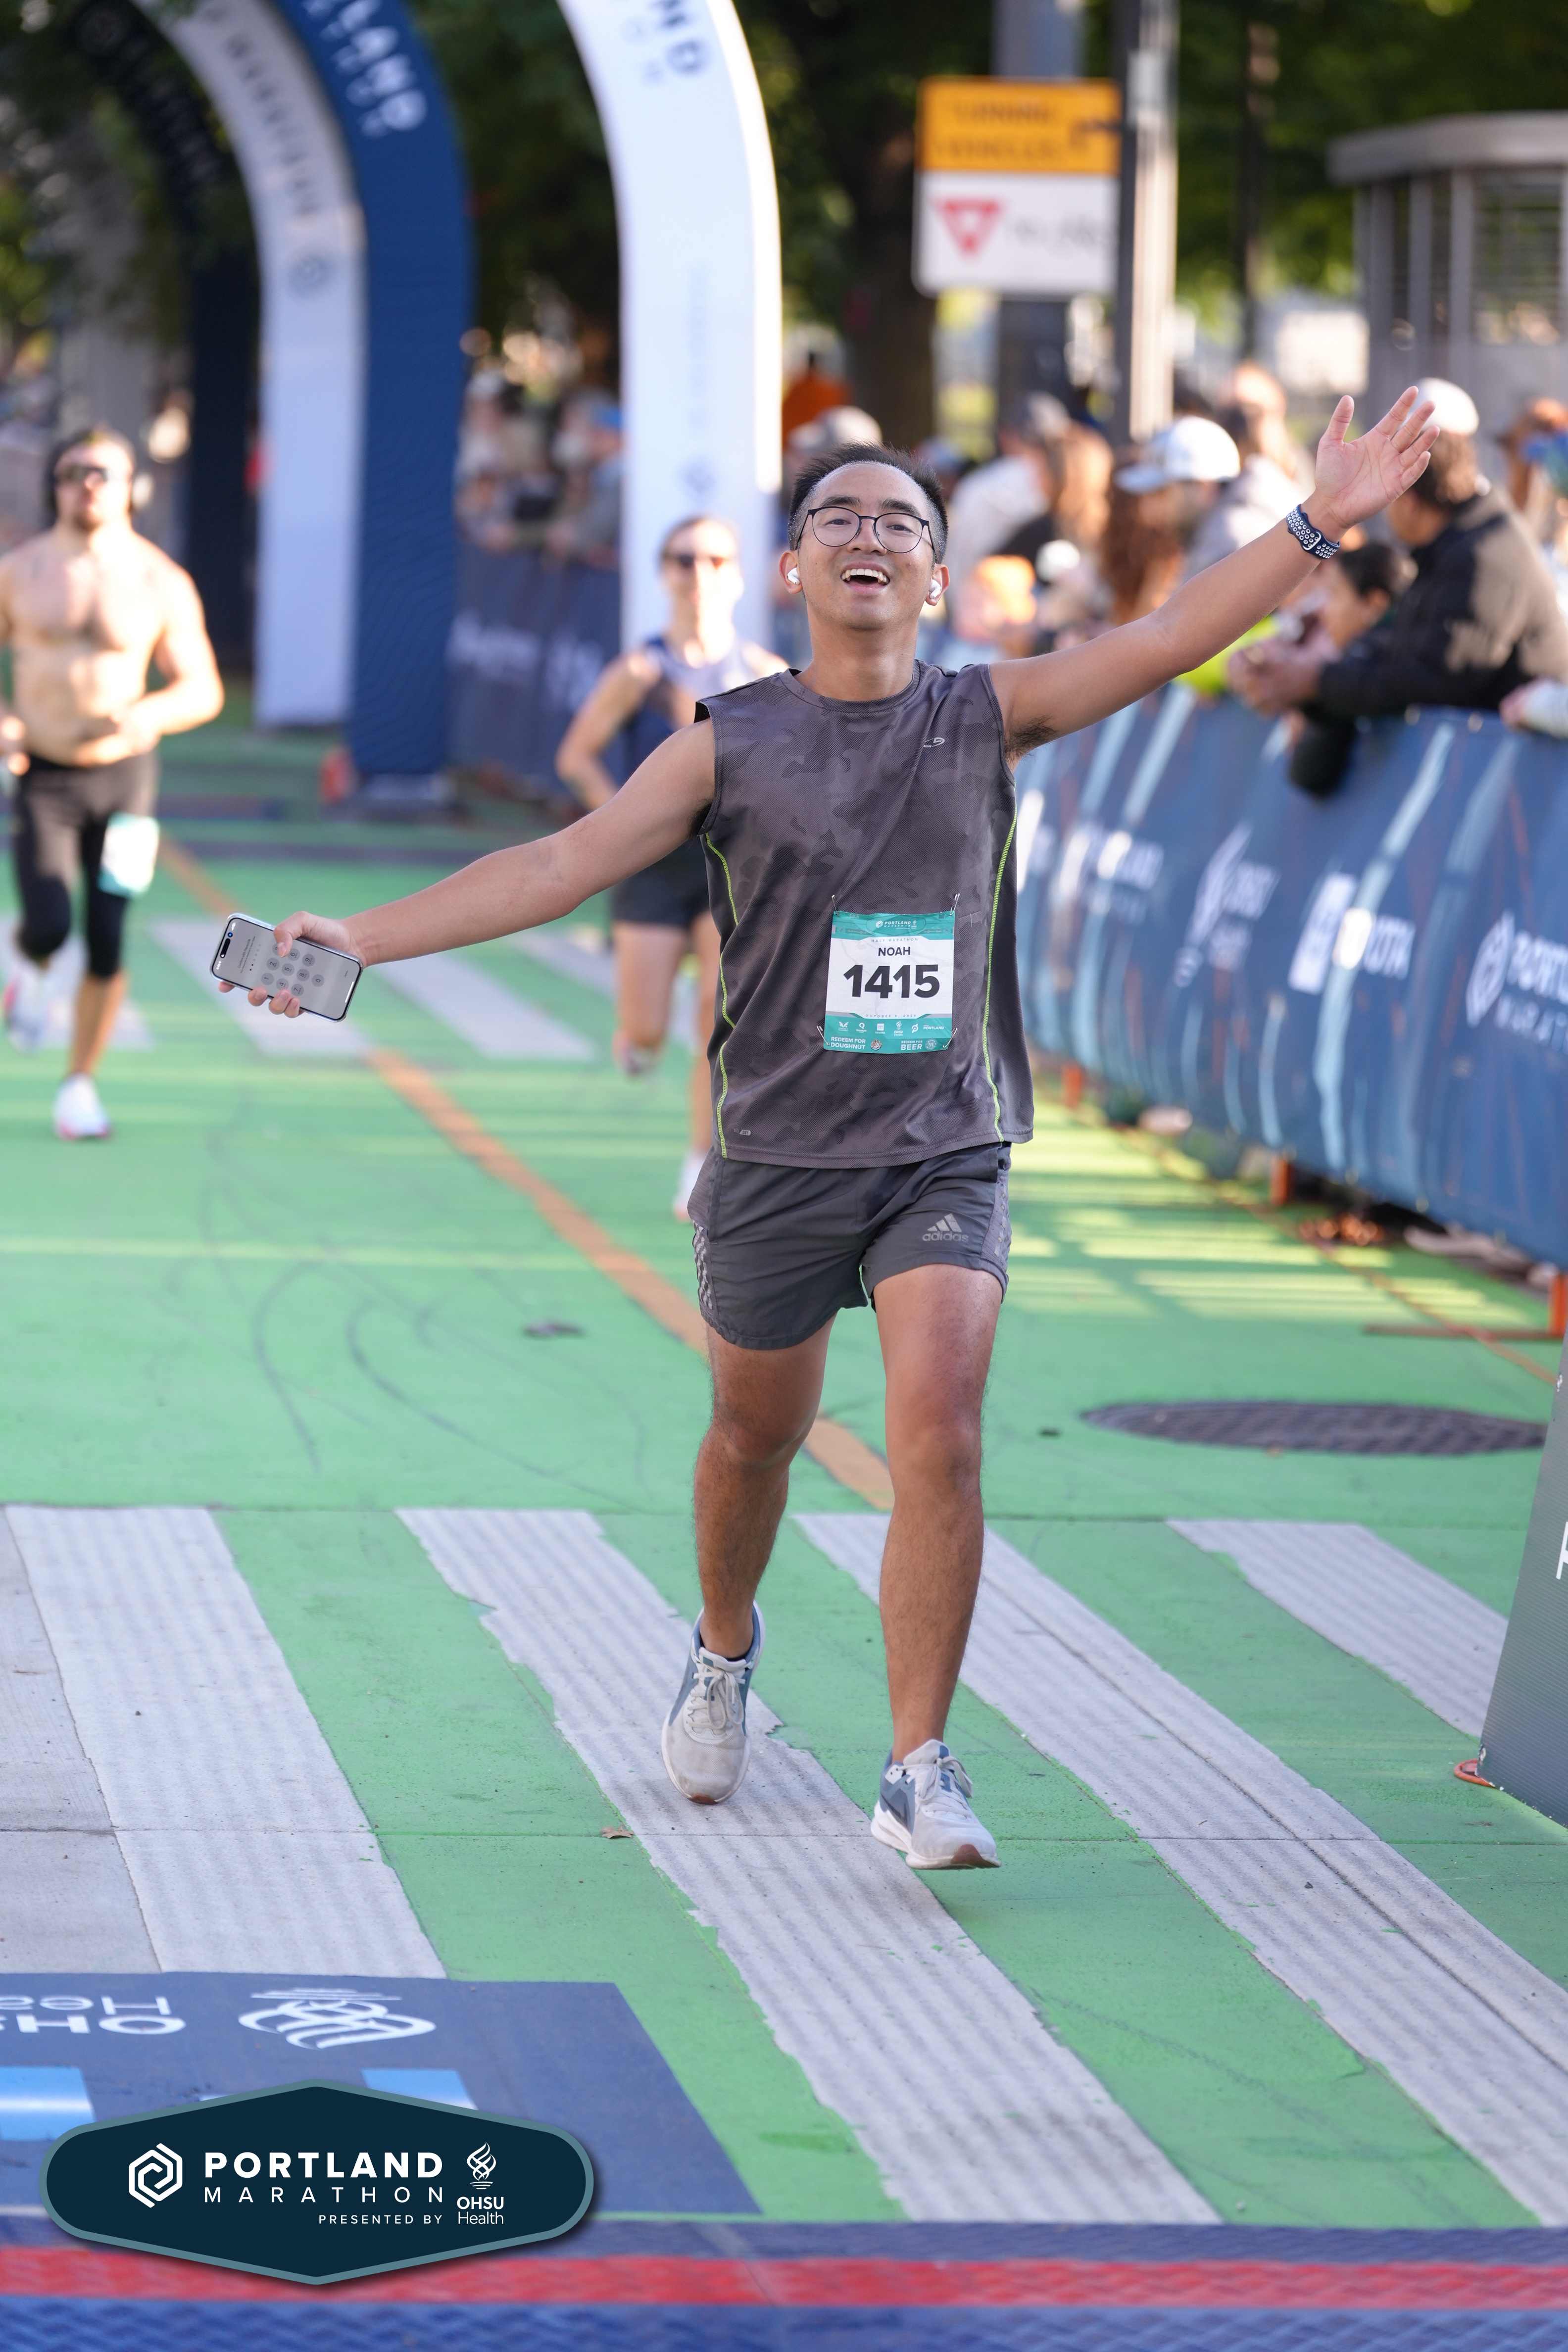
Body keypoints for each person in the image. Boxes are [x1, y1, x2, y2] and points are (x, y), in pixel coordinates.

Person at [229, 390, 1438, 1871]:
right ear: (793, 567)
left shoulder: (986, 712)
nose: (870, 533)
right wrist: (357, 937)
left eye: (900, 520)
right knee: (756, 1435)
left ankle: (919, 1762)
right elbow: (559, 861)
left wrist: (1321, 517)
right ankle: (723, 1642)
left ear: (937, 576)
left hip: (943, 1143)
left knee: (941, 1430)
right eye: (837, 516)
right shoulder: (728, 742)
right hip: (775, 1156)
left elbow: (1173, 629)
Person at [554, 516, 786, 1217]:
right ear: (664, 573)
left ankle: (698, 1163)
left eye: (716, 560)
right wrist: (625, 818)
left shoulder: (765, 674)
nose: (699, 575)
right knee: (649, 1029)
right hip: (653, 867)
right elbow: (576, 756)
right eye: (685, 560)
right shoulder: (640, 670)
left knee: (720, 1022)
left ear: (738, 576)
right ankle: (637, 1040)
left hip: (728, 869)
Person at [0, 425, 222, 1138]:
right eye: (74, 473)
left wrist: (150, 712)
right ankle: (28, 965)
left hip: (124, 781)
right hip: (44, 776)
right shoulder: (19, 570)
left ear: (134, 488)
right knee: (48, 921)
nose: (88, 485)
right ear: (55, 485)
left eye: (104, 473)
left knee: (108, 932)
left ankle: (79, 1085)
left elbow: (203, 689)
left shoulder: (162, 581)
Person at [1232, 378, 1568, 724]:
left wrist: (1315, 681)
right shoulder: (1456, 545)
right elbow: (1403, 653)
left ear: (1408, 502)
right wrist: (1308, 672)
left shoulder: (1486, 555)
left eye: (1386, 497)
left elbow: (1437, 679)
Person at [1230, 541, 1416, 794]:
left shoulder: (1373, 665)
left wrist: (1316, 692)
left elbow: (1310, 772)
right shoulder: (1351, 658)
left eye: (1336, 596)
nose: (1325, 611)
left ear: (1374, 605)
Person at [940, 395, 1069, 608]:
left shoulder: (976, 486)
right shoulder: (1068, 489)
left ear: (1008, 437)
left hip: (974, 610)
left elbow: (954, 561)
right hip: (1043, 614)